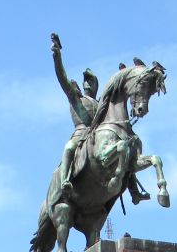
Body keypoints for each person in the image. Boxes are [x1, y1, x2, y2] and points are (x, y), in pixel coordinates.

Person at [50, 33, 149, 204]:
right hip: (81, 135)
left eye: (91, 81)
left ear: (96, 85)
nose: (87, 83)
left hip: (99, 136)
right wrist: (57, 55)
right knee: (69, 147)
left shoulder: (101, 104)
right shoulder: (76, 97)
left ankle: (134, 191)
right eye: (85, 80)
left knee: (126, 149)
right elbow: (62, 79)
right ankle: (65, 180)